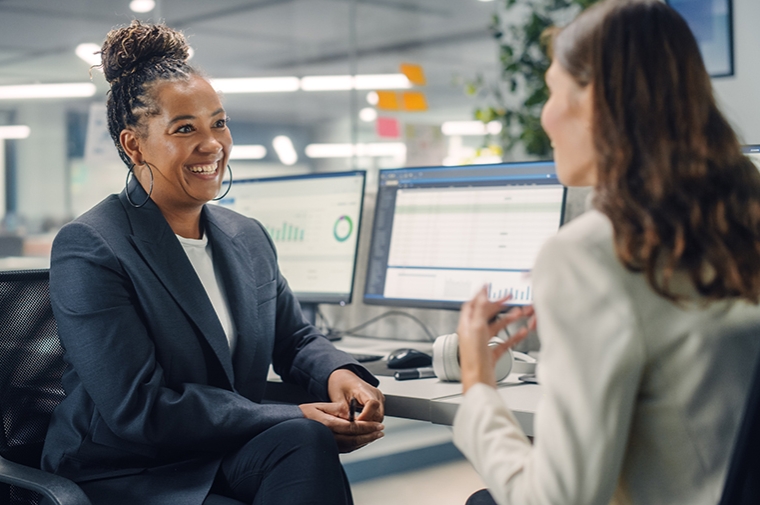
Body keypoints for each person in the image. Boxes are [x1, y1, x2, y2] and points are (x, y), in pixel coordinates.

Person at [41, 21, 384, 505]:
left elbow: (294, 338)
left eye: (218, 123)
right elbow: (138, 408)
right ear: (133, 145)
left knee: (304, 444)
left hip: (214, 451)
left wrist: (338, 374)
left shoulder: (245, 235)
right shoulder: (91, 246)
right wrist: (294, 414)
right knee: (302, 435)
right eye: (185, 129)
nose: (212, 145)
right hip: (125, 470)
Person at [452, 1, 760, 504]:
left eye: (552, 91)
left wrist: (476, 383)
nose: (545, 116)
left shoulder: (589, 255)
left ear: (593, 101)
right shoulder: (740, 217)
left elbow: (557, 499)